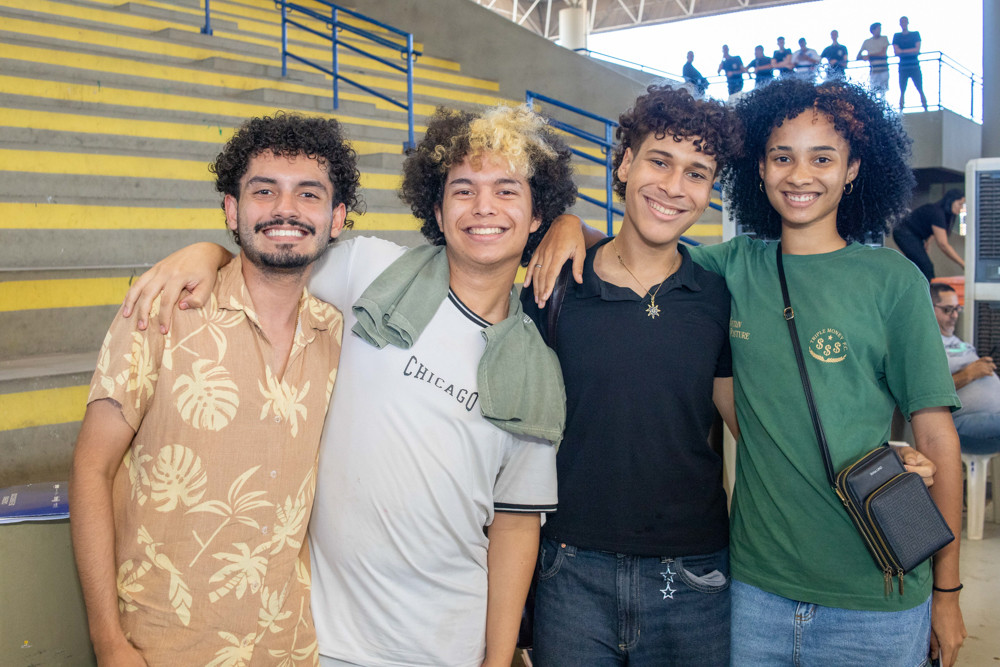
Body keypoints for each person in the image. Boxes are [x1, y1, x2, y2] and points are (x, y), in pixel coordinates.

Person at [526, 78, 967, 666]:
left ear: (854, 169)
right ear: (759, 169)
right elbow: (645, 247)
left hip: (876, 588)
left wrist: (947, 592)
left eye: (822, 158)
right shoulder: (733, 268)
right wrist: (568, 225)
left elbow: (937, 437)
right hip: (757, 592)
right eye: (782, 157)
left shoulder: (893, 280)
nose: (800, 175)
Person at [119, 105, 577, 667]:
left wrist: (497, 659)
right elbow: (273, 257)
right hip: (317, 637)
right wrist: (207, 252)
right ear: (437, 210)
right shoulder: (371, 271)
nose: (484, 207)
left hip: (447, 644)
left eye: (507, 191)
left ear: (537, 215)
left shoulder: (536, 371)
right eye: (463, 190)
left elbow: (515, 527)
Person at [68, 113, 358, 664]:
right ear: (231, 209)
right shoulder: (161, 312)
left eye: (309, 194)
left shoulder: (338, 336)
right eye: (264, 191)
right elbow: (91, 467)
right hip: (160, 644)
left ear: (336, 218)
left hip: (287, 646)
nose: (285, 209)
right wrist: (108, 641)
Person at [520, 85, 743, 666]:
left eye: (697, 173)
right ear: (624, 164)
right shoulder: (555, 286)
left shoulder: (717, 296)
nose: (674, 186)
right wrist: (567, 222)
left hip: (692, 575)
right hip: (569, 568)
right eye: (660, 161)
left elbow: (751, 425)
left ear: (710, 191)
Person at [933, 283, 1000, 439]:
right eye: (948, 310)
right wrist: (968, 374)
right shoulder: (927, 345)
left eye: (957, 309)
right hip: (963, 422)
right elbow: (928, 392)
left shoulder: (956, 341)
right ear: (929, 309)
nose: (955, 315)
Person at [892, 189, 965, 280]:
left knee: (920, 266)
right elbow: (943, 244)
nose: (961, 208)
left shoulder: (944, 214)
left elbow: (933, 232)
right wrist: (962, 263)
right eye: (960, 204)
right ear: (951, 201)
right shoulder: (937, 212)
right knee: (926, 267)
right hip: (903, 233)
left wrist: (927, 243)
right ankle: (929, 288)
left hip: (915, 236)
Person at [893, 15, 928, 111]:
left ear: (908, 22)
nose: (904, 24)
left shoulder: (915, 34)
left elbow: (917, 50)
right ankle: (901, 109)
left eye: (905, 21)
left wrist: (902, 51)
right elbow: (896, 51)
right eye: (902, 22)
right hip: (903, 66)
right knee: (902, 90)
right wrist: (910, 50)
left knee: (920, 88)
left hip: (914, 65)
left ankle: (925, 108)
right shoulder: (897, 36)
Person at [857, 22, 891, 96]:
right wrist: (863, 57)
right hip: (874, 70)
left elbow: (883, 53)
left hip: (883, 69)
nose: (879, 30)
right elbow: (858, 56)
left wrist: (869, 56)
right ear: (873, 30)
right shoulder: (867, 42)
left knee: (883, 93)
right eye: (878, 29)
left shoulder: (884, 38)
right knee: (873, 91)